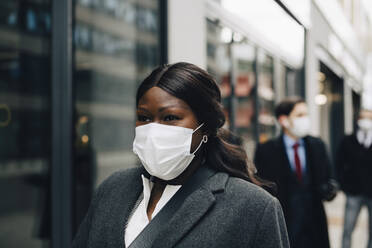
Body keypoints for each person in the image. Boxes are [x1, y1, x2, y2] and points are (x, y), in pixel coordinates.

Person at [72, 62, 289, 248]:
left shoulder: (254, 207)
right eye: (144, 117)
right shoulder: (112, 189)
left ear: (205, 128)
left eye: (170, 118)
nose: (153, 131)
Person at [254, 97, 337, 248]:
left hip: (314, 224)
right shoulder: (266, 150)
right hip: (286, 222)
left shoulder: (317, 145)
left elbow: (327, 178)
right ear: (283, 121)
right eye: (299, 115)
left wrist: (330, 189)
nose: (305, 119)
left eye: (306, 114)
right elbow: (262, 186)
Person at [336, 109, 372, 248]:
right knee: (347, 229)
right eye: (363, 118)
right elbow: (339, 163)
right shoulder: (348, 140)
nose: (366, 121)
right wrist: (344, 185)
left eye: (369, 118)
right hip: (353, 193)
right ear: (358, 120)